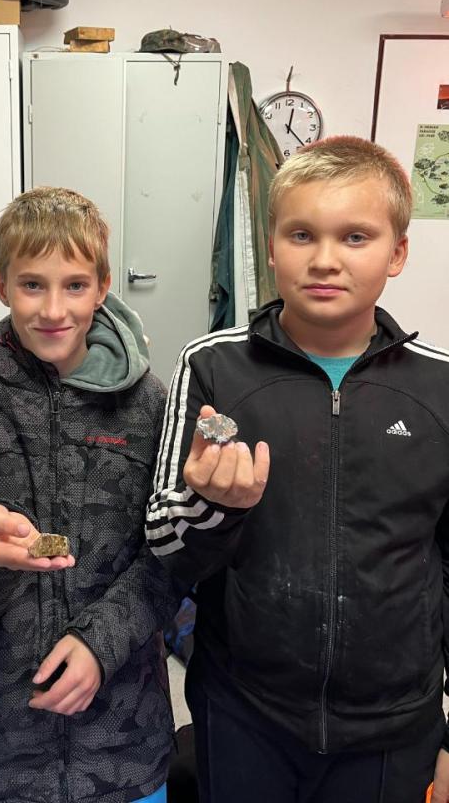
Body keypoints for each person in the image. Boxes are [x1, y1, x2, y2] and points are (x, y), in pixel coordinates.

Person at [146, 136, 449, 803]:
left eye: (355, 237)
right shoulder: (213, 367)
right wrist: (213, 506)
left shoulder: (438, 388)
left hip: (394, 726)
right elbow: (166, 547)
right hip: (245, 713)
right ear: (272, 246)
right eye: (302, 234)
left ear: (398, 253)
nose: (325, 259)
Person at [0, 186, 179, 803]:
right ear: (0, 283)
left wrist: (100, 643)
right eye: (32, 285)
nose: (54, 309)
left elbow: (170, 560)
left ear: (103, 286)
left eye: (75, 285)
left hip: (123, 751)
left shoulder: (149, 405)